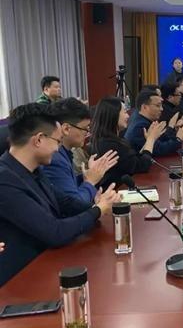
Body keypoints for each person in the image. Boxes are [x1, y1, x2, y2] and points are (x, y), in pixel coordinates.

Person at [0, 103, 121, 286]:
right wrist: (97, 210)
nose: (58, 149)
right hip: (20, 282)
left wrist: (98, 205)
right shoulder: (5, 181)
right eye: (57, 141)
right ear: (39, 140)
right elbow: (54, 232)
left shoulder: (33, 170)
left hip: (43, 266)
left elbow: (64, 202)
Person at [42, 98, 118, 205]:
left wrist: (89, 174)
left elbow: (69, 187)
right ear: (66, 129)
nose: (87, 133)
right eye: (84, 128)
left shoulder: (64, 153)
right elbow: (74, 204)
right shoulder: (54, 159)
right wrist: (90, 181)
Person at [90, 96, 163, 187]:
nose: (128, 116)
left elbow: (135, 160)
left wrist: (150, 140)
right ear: (114, 115)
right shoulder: (110, 145)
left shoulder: (111, 139)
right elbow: (142, 166)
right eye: (124, 112)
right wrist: (150, 140)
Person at [124, 90, 183, 156]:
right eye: (158, 106)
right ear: (144, 107)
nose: (162, 109)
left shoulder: (143, 118)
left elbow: (163, 139)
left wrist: (177, 131)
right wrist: (179, 139)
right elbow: (159, 149)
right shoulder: (140, 126)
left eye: (161, 105)